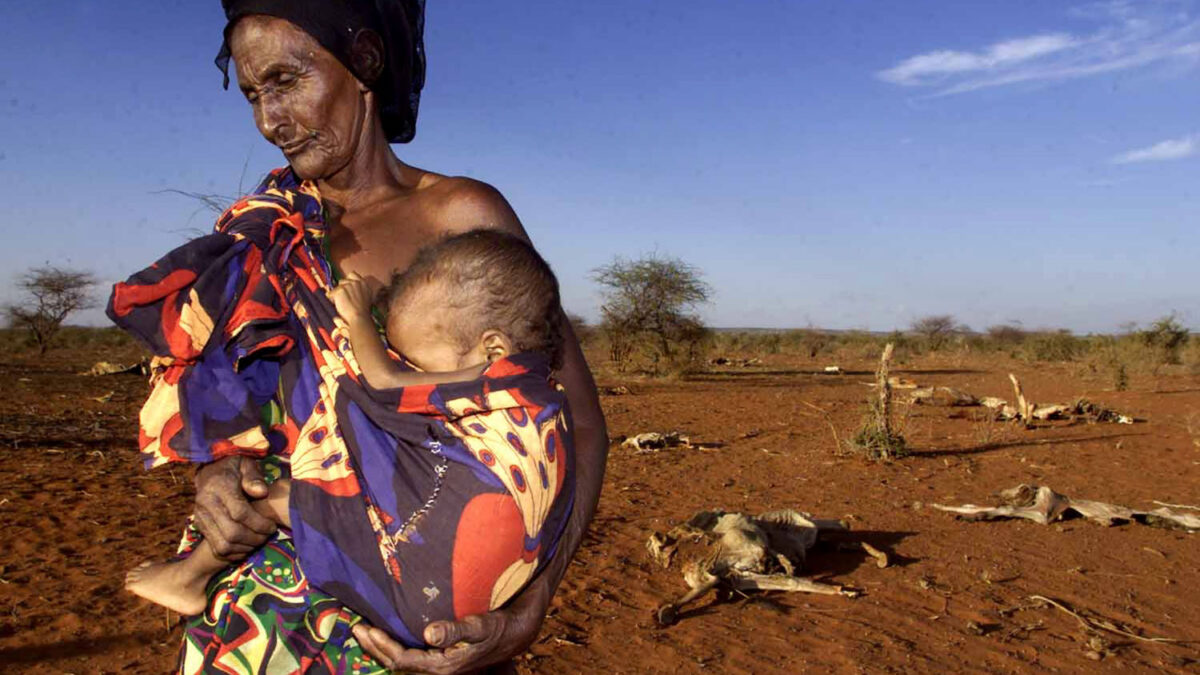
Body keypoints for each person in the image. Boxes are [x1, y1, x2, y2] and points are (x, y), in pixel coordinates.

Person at [110, 1, 607, 672]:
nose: (267, 120)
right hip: (254, 622)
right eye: (254, 94)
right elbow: (225, 391)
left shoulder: (459, 214)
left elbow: (575, 418)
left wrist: (532, 602)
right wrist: (218, 473)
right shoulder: (263, 231)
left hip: (418, 623)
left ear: (365, 59)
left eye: (286, 80)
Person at [123, 229, 576, 648]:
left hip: (422, 592)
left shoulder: (498, 377)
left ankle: (187, 579)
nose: (415, 373)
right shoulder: (543, 392)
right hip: (492, 592)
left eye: (419, 362)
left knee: (285, 495)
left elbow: (380, 382)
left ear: (492, 349)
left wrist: (358, 316)